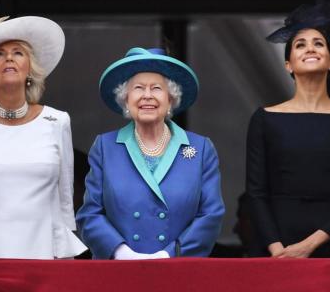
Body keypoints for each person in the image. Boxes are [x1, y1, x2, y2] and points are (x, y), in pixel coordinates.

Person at [0, 16, 86, 258]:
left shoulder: (57, 121)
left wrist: (67, 251)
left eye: (18, 52)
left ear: (30, 66)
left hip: (43, 252)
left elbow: (65, 201)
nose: (9, 58)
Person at [245, 0, 330, 258]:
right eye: (300, 45)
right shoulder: (264, 119)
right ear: (288, 64)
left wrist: (309, 246)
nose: (310, 49)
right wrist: (277, 250)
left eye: (318, 43)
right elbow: (255, 194)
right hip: (276, 248)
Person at [76, 47, 225, 259]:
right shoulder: (105, 147)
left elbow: (211, 215)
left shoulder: (200, 149)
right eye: (138, 88)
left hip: (179, 272)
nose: (147, 96)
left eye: (156, 88)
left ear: (171, 99)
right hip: (119, 272)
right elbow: (90, 214)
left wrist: (169, 255)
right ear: (126, 99)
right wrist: (122, 253)